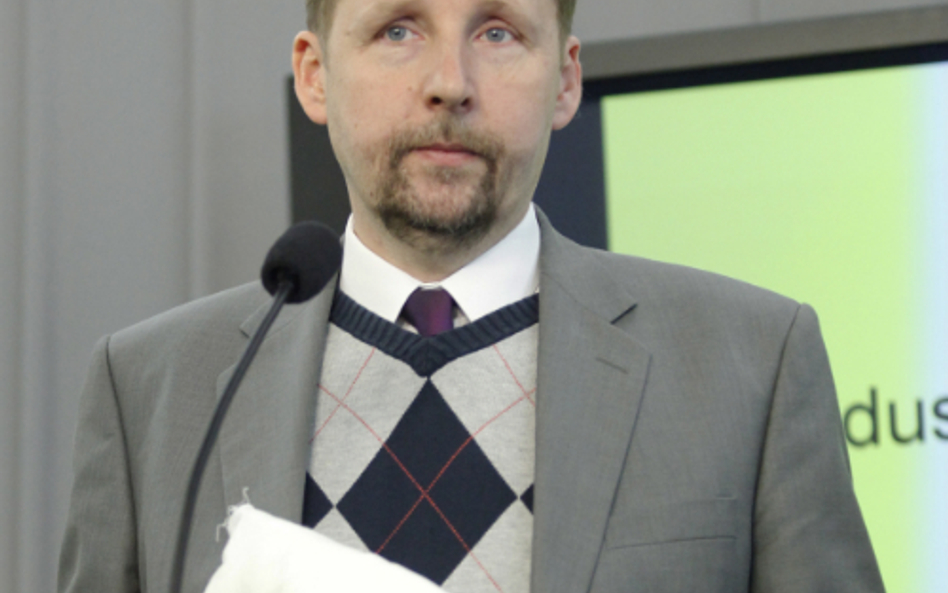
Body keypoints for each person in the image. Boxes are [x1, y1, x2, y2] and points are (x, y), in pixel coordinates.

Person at [59, 0, 886, 591]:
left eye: (497, 32)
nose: (449, 83)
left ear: (565, 81)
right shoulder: (150, 391)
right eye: (398, 29)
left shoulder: (752, 364)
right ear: (315, 75)